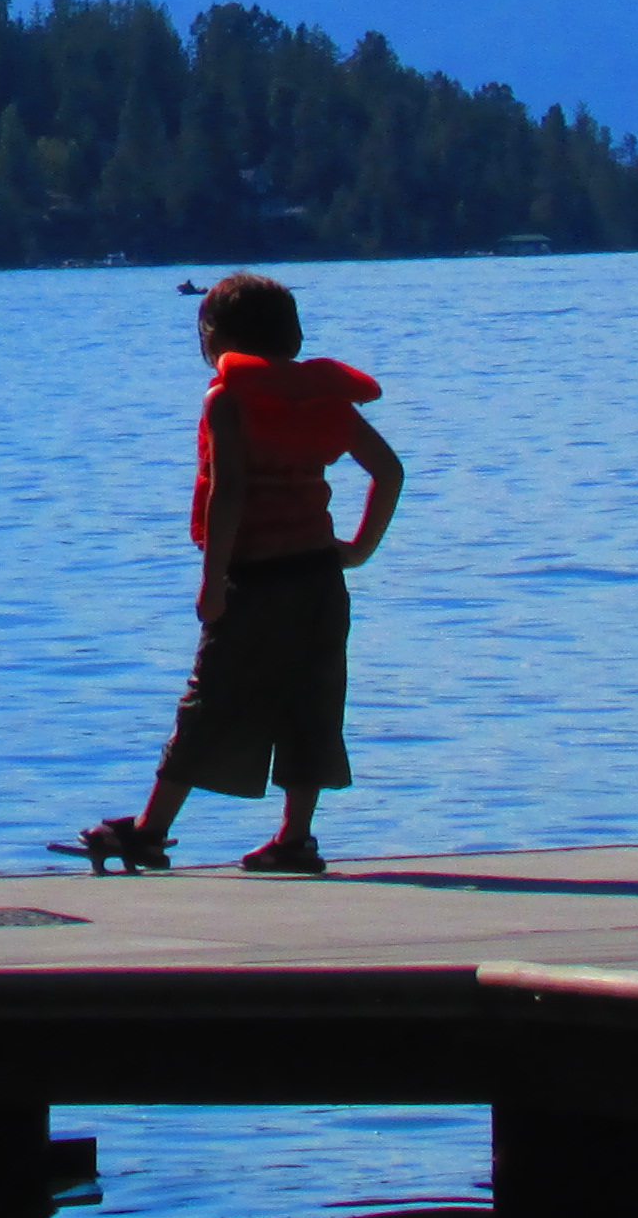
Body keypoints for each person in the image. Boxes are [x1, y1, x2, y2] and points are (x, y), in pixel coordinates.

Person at [65, 271, 404, 879]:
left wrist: (212, 579)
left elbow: (228, 492)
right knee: (312, 701)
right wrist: (357, 550)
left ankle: (150, 832)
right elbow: (389, 471)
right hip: (320, 580)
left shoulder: (227, 399)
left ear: (213, 337)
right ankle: (295, 839)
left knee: (209, 700)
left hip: (254, 578)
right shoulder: (325, 400)